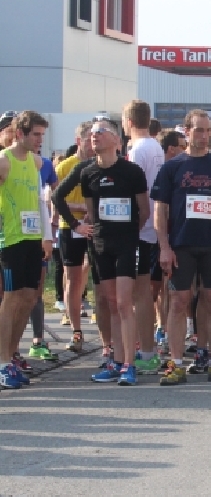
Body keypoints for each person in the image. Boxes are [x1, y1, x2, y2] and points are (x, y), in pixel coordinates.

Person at [54, 118, 149, 386]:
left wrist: (130, 232)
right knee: (109, 304)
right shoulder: (86, 171)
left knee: (123, 302)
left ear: (117, 140)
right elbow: (77, 204)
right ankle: (117, 361)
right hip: (100, 245)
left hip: (127, 244)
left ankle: (130, 363)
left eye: (101, 132)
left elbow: (144, 211)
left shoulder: (131, 171)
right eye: (92, 133)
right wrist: (78, 226)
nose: (94, 137)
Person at [150, 109, 211, 385]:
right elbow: (160, 210)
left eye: (208, 130)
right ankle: (175, 363)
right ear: (186, 132)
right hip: (180, 245)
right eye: (199, 130)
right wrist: (163, 246)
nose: (204, 135)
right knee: (178, 301)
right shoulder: (172, 168)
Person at [0, 111, 53, 389]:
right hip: (9, 240)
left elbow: (40, 200)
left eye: (42, 135)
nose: (39, 140)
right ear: (20, 133)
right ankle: (2, 361)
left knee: (29, 297)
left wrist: (48, 237)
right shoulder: (3, 161)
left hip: (32, 239)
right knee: (10, 299)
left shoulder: (37, 162)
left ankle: (10, 355)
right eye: (35, 134)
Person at [123, 100, 165, 375]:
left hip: (141, 228)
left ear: (128, 122)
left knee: (141, 294)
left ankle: (147, 351)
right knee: (144, 293)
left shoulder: (139, 149)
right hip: (150, 227)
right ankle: (146, 348)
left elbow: (132, 190)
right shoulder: (155, 146)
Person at [53, 122, 94, 355]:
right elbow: (55, 200)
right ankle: (76, 330)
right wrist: (82, 209)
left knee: (96, 276)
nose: (92, 144)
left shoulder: (97, 165)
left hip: (92, 227)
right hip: (70, 227)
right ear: (79, 141)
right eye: (89, 140)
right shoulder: (66, 166)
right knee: (73, 278)